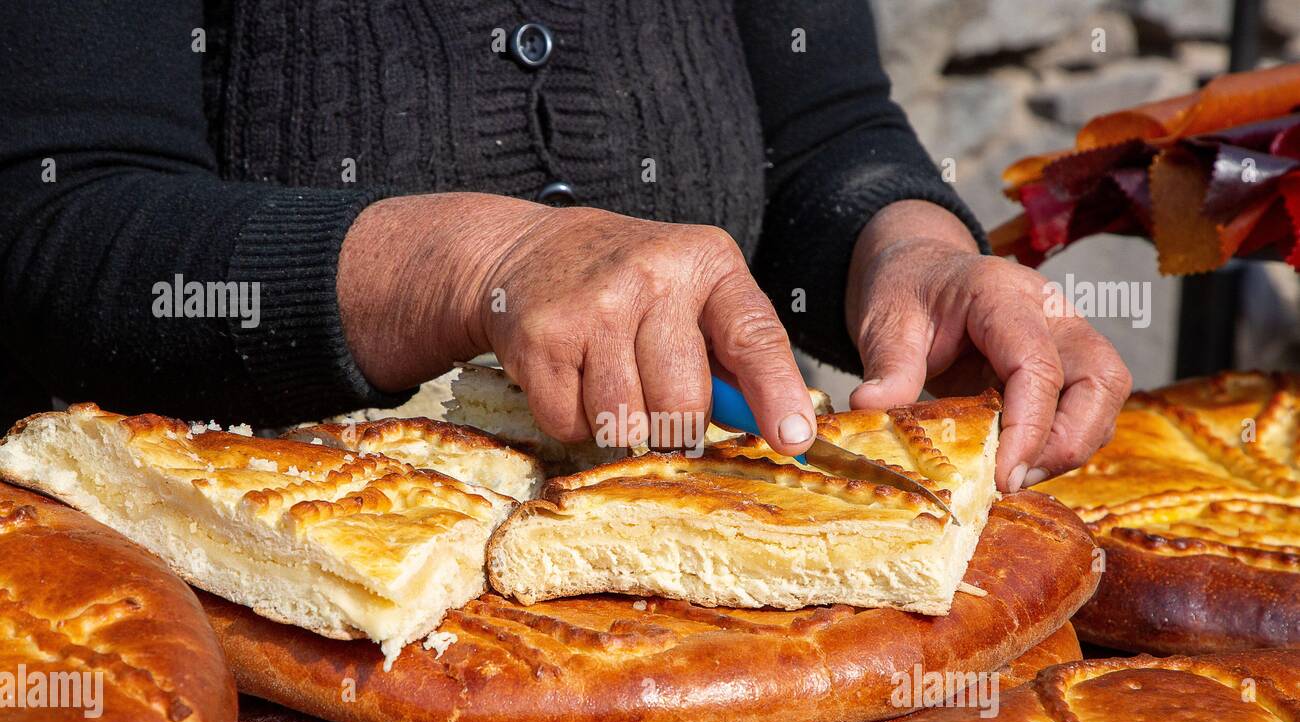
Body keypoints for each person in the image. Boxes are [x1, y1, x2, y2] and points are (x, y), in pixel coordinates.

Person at [0, 0, 1130, 491]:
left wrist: (914, 255)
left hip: (674, 564)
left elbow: (821, 136)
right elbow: (56, 221)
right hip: (220, 620)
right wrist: (474, 263)